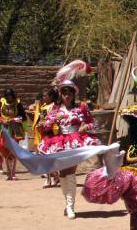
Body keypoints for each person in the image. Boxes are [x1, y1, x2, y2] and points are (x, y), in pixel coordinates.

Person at [38, 64, 97, 219]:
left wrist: (85, 127)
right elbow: (45, 125)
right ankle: (68, 203)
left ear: (73, 94)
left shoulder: (81, 108)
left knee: (70, 172)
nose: (67, 95)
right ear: (60, 94)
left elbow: (93, 123)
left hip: (76, 142)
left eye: (69, 92)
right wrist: (54, 121)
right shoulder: (55, 109)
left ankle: (70, 206)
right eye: (64, 93)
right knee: (63, 173)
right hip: (60, 142)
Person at [32, 87, 61, 188]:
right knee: (44, 155)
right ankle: (50, 178)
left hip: (52, 133)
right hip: (44, 133)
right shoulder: (43, 106)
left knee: (50, 156)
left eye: (45, 96)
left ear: (51, 96)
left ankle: (54, 177)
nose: (43, 97)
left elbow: (54, 119)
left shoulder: (55, 107)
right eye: (43, 96)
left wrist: (46, 124)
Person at [0, 88, 26, 181]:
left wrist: (14, 120)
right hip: (4, 129)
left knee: (13, 150)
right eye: (7, 96)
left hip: (14, 130)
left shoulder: (17, 103)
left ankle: (13, 173)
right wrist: (1, 120)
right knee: (4, 149)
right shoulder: (1, 103)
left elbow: (23, 116)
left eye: (10, 96)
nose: (8, 98)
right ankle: (8, 173)